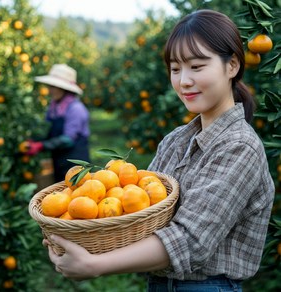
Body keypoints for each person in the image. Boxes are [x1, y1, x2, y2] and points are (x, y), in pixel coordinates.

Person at [42, 10, 275, 291]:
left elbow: (190, 241)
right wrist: (78, 231)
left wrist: (95, 265)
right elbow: (142, 210)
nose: (183, 81)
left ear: (232, 66)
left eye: (197, 67)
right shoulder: (176, 140)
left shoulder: (239, 147)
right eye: (175, 69)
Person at [27, 64, 90, 182]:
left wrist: (42, 145)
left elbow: (68, 139)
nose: (49, 90)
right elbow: (49, 129)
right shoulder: (54, 107)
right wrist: (35, 141)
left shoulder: (76, 109)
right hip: (59, 161)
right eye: (50, 86)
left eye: (53, 87)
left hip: (75, 164)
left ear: (64, 89)